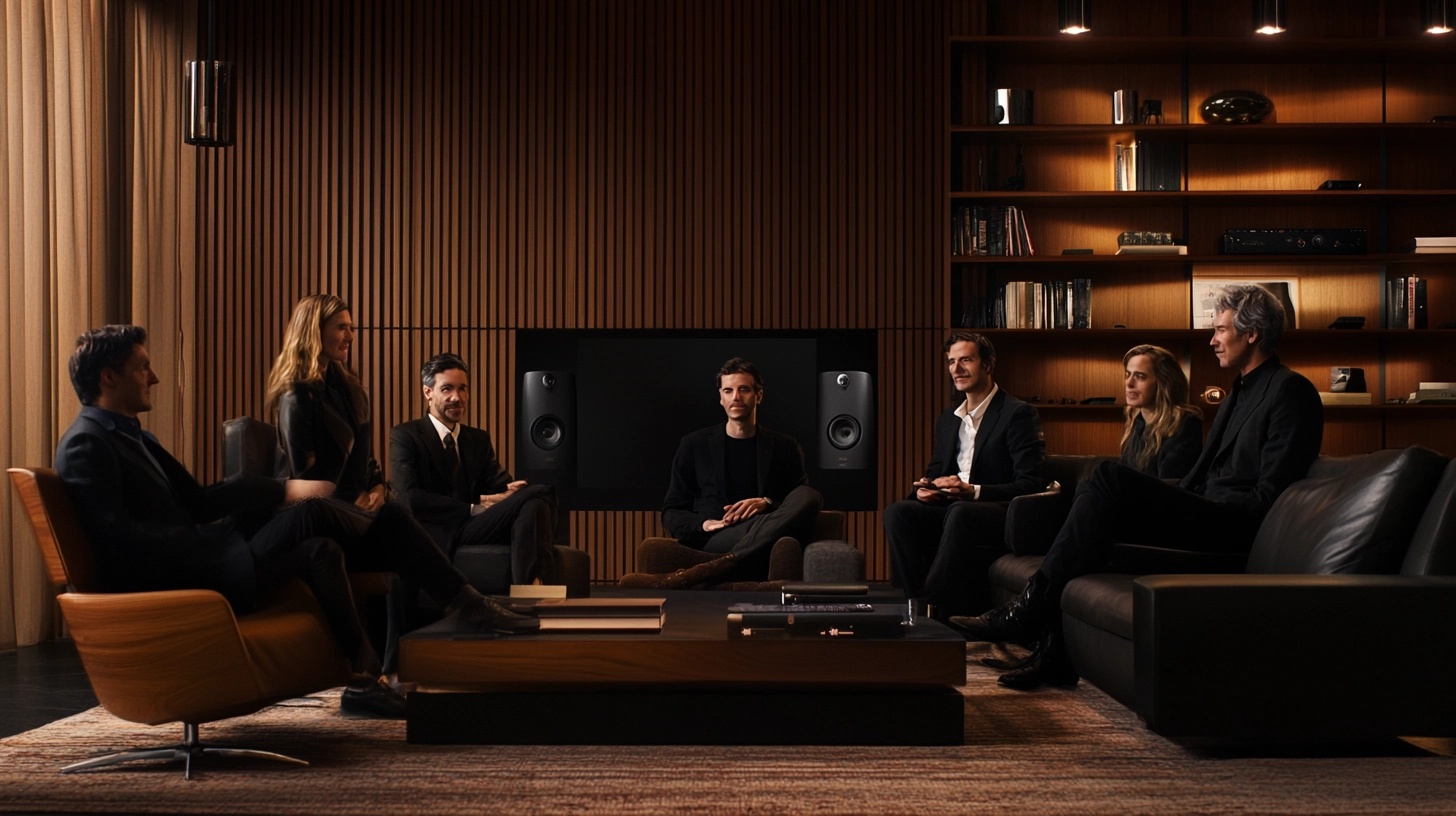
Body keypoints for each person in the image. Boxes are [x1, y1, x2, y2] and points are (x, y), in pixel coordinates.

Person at [55, 327, 537, 716]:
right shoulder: (86, 444)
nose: (154, 376)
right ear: (108, 377)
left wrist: (271, 491)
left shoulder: (139, 438)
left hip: (207, 558)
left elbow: (201, 501)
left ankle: (363, 680)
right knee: (325, 513)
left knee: (322, 549)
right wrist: (267, 504)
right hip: (183, 579)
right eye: (143, 366)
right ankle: (468, 603)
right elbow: (117, 541)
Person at [952, 284, 1324, 690]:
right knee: (1091, 519)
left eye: (1220, 330)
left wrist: (1176, 500)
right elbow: (1197, 476)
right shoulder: (1240, 389)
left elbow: (1271, 494)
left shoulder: (1291, 390)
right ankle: (1053, 653)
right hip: (1208, 509)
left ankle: (1028, 608)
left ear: (1252, 334)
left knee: (1107, 475)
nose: (1212, 340)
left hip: (1235, 525)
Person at [882, 332, 1047, 617]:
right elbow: (935, 472)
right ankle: (910, 604)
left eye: (966, 360)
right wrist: (927, 488)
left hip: (994, 511)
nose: (956, 369)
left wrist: (975, 492)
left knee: (961, 511)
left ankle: (930, 605)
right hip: (952, 507)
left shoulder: (1017, 413)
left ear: (988, 364)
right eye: (951, 362)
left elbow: (1030, 483)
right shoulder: (948, 419)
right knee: (899, 512)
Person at [620, 357, 822, 588]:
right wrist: (703, 524)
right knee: (777, 533)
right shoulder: (694, 445)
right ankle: (734, 564)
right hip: (719, 538)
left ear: (759, 395)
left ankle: (712, 569)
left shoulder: (785, 446)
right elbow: (671, 512)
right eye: (728, 390)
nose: (736, 397)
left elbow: (800, 501)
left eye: (744, 389)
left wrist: (766, 503)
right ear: (721, 397)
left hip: (765, 529)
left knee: (809, 495)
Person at [389, 353, 558, 585]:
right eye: (447, 389)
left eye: (462, 389)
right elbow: (409, 498)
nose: (457, 397)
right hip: (437, 529)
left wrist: (510, 490)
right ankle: (534, 583)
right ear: (428, 392)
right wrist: (471, 508)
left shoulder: (477, 439)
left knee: (532, 502)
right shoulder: (406, 435)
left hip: (475, 525)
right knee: (538, 495)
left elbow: (496, 483)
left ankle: (527, 588)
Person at [265, 293, 386, 510]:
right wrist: (352, 500)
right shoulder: (296, 395)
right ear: (314, 331)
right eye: (341, 327)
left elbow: (365, 458)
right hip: (317, 511)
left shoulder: (350, 389)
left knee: (396, 513)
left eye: (351, 328)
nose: (350, 336)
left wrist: (378, 488)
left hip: (352, 506)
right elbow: (304, 479)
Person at [1120, 344, 1202, 479]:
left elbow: (1171, 483)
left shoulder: (1185, 422)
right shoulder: (1136, 420)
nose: (1129, 383)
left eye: (1140, 376)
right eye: (1128, 375)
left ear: (1163, 382)